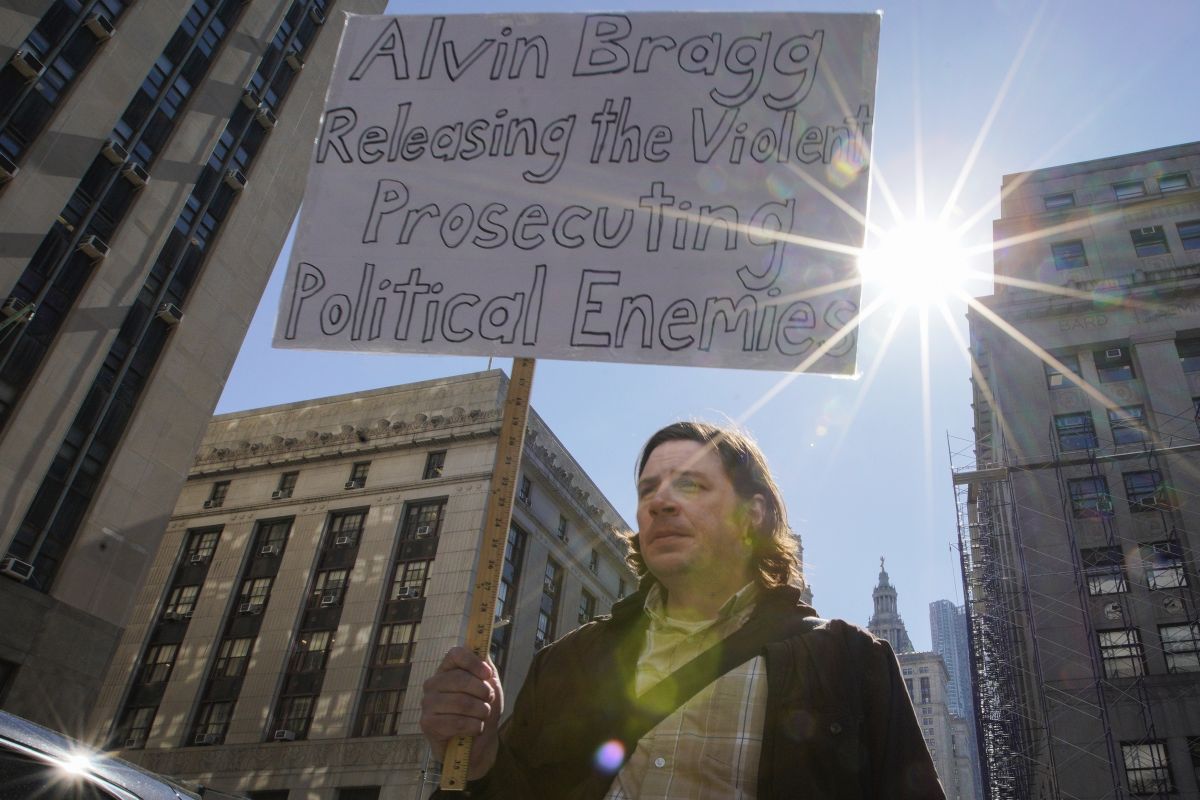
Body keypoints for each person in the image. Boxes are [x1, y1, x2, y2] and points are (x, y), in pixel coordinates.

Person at [420, 421, 945, 799]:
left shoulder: (849, 661)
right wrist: (479, 755)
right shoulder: (568, 661)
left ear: (752, 516)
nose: (659, 502)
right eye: (648, 489)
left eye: (689, 485)